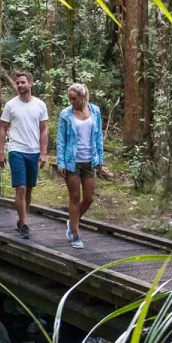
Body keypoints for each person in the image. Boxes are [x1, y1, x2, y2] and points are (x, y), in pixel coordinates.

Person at [0, 71, 48, 240]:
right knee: (20, 188)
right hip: (16, 150)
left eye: (22, 82)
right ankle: (25, 224)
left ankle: (21, 219)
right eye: (17, 83)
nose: (19, 85)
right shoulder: (11, 105)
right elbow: (3, 128)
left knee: (29, 190)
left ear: (30, 84)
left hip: (33, 151)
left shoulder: (40, 105)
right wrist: (0, 152)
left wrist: (43, 152)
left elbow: (44, 129)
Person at [56, 82, 105, 250]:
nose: (71, 101)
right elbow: (61, 139)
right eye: (69, 98)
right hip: (72, 160)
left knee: (89, 197)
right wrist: (60, 162)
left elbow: (98, 136)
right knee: (75, 197)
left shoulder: (95, 111)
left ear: (82, 97)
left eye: (74, 98)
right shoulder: (66, 114)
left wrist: (100, 159)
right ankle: (76, 234)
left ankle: (72, 222)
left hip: (89, 159)